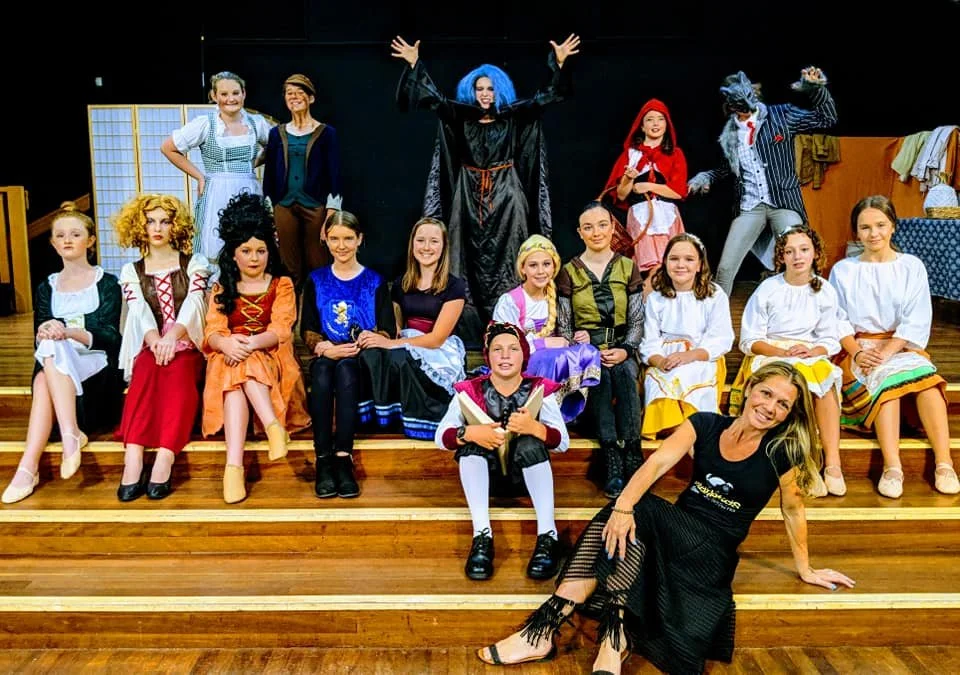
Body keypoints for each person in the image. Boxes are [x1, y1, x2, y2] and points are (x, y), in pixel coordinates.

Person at [475, 362, 855, 674]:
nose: (771, 407)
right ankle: (612, 642)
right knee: (631, 521)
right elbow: (657, 461)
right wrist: (624, 508)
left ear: (790, 414)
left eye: (783, 404)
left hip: (712, 554)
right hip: (671, 534)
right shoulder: (705, 424)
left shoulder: (781, 450)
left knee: (636, 509)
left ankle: (545, 628)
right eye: (767, 393)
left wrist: (805, 568)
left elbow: (793, 509)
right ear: (749, 389)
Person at [390, 33, 580, 320]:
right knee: (462, 250)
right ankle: (463, 320)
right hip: (468, 193)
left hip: (507, 192)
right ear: (472, 90)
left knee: (510, 250)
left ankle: (510, 320)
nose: (485, 94)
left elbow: (547, 98)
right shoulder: (460, 115)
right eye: (480, 88)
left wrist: (559, 64)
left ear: (499, 90)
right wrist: (416, 63)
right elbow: (434, 99)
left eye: (490, 88)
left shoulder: (514, 116)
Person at [828, 195, 959, 498]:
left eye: (880, 225)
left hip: (901, 345)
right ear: (856, 232)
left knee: (928, 383)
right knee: (888, 382)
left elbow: (917, 316)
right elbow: (836, 319)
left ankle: (944, 463)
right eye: (865, 227)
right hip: (857, 349)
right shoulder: (844, 271)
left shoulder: (911, 266)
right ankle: (892, 467)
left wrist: (888, 351)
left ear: (893, 227)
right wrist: (860, 352)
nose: (873, 234)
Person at [2, 203, 123, 504]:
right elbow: (38, 339)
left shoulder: (107, 283)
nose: (67, 240)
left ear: (91, 240)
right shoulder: (47, 287)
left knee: (50, 362)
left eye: (75, 234)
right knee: (49, 354)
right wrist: (50, 332)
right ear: (53, 243)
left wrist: (66, 331)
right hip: (58, 366)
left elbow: (110, 337)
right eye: (60, 235)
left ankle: (32, 465)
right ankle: (61, 441)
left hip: (96, 369)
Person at [435, 322, 569, 581]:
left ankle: (547, 535)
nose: (505, 356)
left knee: (530, 442)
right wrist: (468, 433)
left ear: (524, 355)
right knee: (472, 446)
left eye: (512, 349)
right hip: (486, 481)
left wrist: (536, 428)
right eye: (497, 349)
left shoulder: (540, 388)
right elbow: (441, 436)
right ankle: (482, 536)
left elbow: (562, 441)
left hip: (526, 479)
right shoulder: (470, 390)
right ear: (488, 355)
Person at [687, 67, 837, 297]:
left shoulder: (780, 115)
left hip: (783, 202)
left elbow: (827, 118)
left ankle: (810, 308)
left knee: (799, 256)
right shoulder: (729, 134)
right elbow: (727, 169)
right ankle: (713, 323)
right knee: (726, 267)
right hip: (751, 208)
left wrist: (815, 89)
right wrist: (705, 176)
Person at [201, 193, 310, 504]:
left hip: (273, 360)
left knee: (242, 363)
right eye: (246, 250)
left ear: (269, 252)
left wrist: (247, 343)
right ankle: (257, 443)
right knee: (234, 368)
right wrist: (225, 342)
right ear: (233, 255)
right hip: (231, 361)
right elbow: (213, 331)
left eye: (260, 250)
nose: (253, 257)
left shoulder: (282, 285)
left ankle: (235, 465)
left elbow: (280, 329)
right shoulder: (223, 288)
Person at [113, 194, 211, 501]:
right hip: (151, 341)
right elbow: (139, 310)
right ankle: (133, 457)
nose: (157, 228)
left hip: (187, 342)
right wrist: (156, 341)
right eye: (151, 221)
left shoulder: (194, 263)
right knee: (144, 373)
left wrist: (173, 337)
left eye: (165, 221)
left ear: (175, 226)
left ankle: (166, 455)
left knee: (180, 376)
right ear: (140, 226)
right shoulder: (132, 271)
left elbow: (195, 303)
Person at [734, 225, 844, 496]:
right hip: (771, 353)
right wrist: (782, 353)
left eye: (804, 250)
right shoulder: (768, 289)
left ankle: (831, 462)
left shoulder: (825, 290)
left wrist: (815, 350)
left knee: (824, 382)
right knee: (785, 384)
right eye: (789, 251)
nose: (797, 257)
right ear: (780, 256)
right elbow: (749, 340)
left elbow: (831, 337)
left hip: (808, 353)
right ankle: (799, 463)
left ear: (815, 253)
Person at [300, 211, 395, 499]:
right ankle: (323, 458)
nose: (341, 245)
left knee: (345, 370)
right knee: (322, 371)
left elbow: (388, 329)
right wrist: (324, 347)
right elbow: (308, 328)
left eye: (348, 238)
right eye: (334, 239)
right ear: (325, 240)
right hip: (328, 353)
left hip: (359, 358)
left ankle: (344, 456)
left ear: (359, 240)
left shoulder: (374, 281)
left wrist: (371, 339)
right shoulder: (316, 279)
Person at [556, 202, 644, 499]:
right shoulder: (569, 271)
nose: (597, 232)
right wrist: (578, 343)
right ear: (580, 233)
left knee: (623, 372)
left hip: (622, 345)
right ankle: (611, 459)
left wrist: (627, 349)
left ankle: (633, 453)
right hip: (587, 352)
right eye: (589, 227)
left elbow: (636, 318)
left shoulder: (628, 266)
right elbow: (564, 326)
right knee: (600, 377)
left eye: (602, 225)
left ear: (612, 227)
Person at [357, 217, 467, 440]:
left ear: (444, 246)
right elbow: (396, 327)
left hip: (439, 349)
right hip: (406, 340)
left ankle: (422, 421)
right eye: (421, 240)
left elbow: (436, 339)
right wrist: (378, 339)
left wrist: (391, 344)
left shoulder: (454, 286)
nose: (426, 247)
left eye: (434, 241)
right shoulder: (400, 283)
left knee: (403, 357)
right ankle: (383, 418)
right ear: (412, 244)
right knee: (375, 355)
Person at [160, 71, 273, 264]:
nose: (231, 99)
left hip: (249, 189)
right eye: (224, 94)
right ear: (214, 96)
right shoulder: (206, 124)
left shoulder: (256, 123)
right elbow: (168, 148)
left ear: (244, 94)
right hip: (217, 190)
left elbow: (276, 147)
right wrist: (200, 177)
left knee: (249, 240)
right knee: (215, 243)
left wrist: (251, 164)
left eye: (236, 93)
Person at [491, 234, 601, 423]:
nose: (540, 271)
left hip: (556, 360)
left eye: (546, 264)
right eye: (533, 265)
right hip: (525, 363)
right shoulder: (510, 301)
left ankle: (567, 410)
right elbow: (506, 346)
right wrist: (544, 343)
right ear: (523, 268)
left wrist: (579, 337)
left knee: (589, 351)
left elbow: (565, 336)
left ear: (554, 266)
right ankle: (540, 413)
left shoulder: (559, 298)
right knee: (549, 356)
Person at [640, 234, 734, 439]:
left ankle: (692, 431)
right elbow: (649, 340)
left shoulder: (714, 295)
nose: (681, 265)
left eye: (689, 259)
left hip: (701, 356)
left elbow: (721, 337)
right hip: (665, 358)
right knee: (659, 379)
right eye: (674, 259)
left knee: (687, 375)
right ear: (665, 262)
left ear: (700, 265)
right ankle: (678, 433)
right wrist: (659, 360)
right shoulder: (656, 298)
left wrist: (689, 356)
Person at [262, 73, 342, 292]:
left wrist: (331, 212)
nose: (294, 97)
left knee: (318, 259)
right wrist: (271, 208)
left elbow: (335, 174)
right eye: (289, 93)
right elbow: (269, 173)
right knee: (288, 263)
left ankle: (319, 313)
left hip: (315, 204)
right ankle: (291, 315)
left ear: (311, 98)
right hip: (284, 204)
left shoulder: (326, 133)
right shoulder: (276, 134)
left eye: (299, 93)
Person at [600, 98, 688, 287]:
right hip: (641, 218)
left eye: (660, 119)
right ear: (641, 126)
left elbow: (678, 192)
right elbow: (621, 195)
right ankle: (645, 312)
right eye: (649, 119)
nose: (655, 123)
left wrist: (648, 186)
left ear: (667, 124)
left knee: (671, 268)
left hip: (667, 217)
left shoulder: (675, 154)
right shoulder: (630, 155)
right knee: (653, 269)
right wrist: (628, 178)